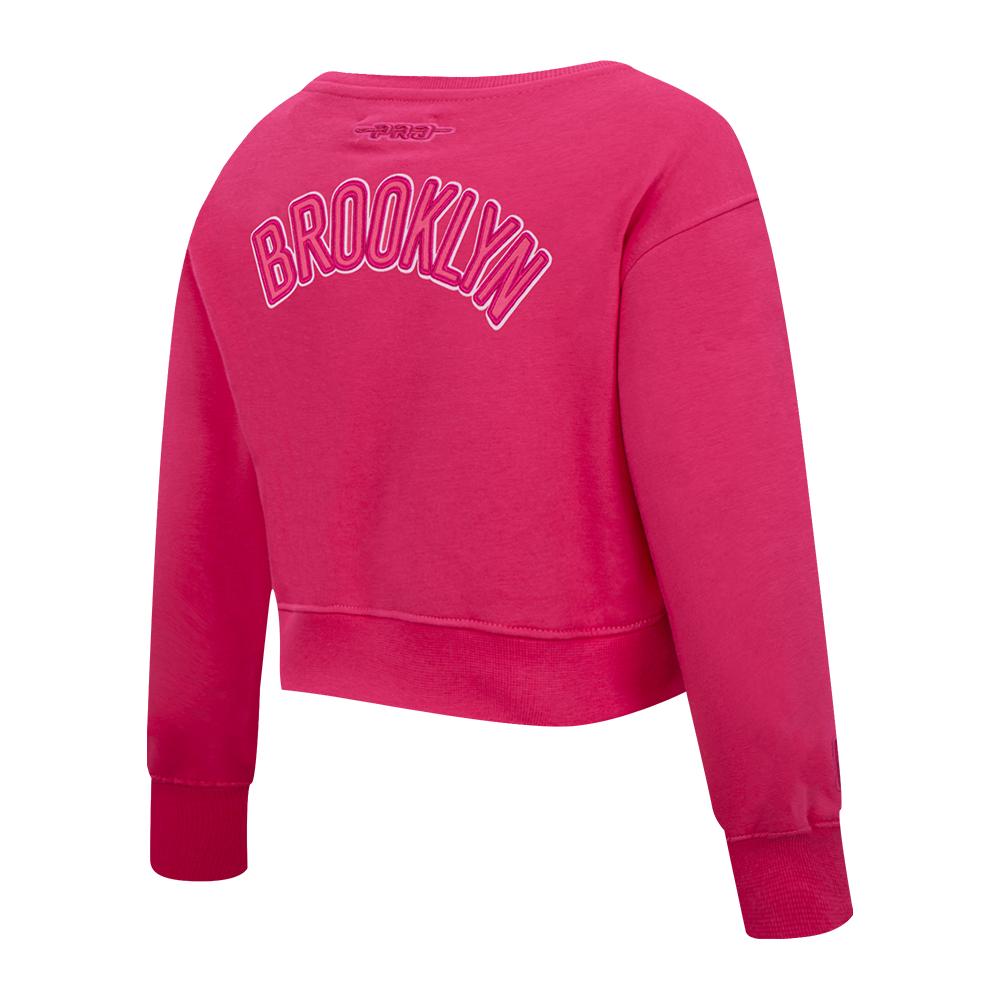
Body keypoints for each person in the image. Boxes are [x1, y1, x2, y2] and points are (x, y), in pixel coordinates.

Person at [148, 59, 852, 938]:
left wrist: (178, 830)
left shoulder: (245, 175)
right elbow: (732, 504)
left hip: (316, 749)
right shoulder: (657, 140)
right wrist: (797, 864)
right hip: (594, 766)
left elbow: (197, 515)